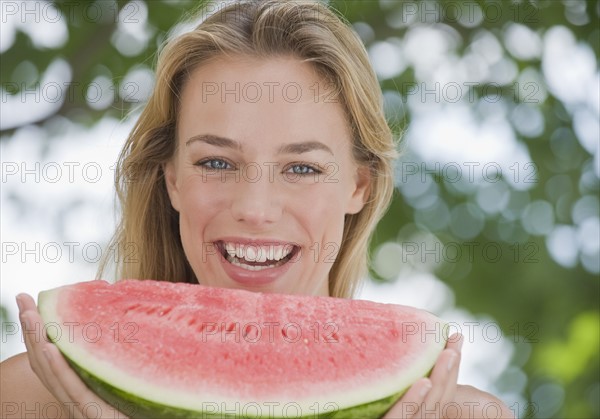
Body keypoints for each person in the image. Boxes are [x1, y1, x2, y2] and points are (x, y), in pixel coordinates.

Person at [1, 1, 514, 417]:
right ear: (173, 180)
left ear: (360, 185)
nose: (255, 209)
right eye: (217, 163)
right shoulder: (27, 399)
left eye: (302, 168)